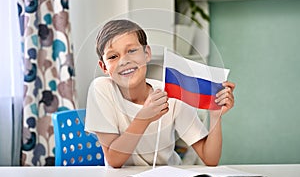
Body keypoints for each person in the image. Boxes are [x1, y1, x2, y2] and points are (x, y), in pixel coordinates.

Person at [85, 19, 235, 168]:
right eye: (113, 57)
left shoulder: (171, 93)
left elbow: (210, 158)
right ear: (103, 66)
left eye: (131, 51)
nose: (124, 61)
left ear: (147, 54)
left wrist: (215, 116)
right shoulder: (101, 89)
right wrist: (143, 118)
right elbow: (114, 160)